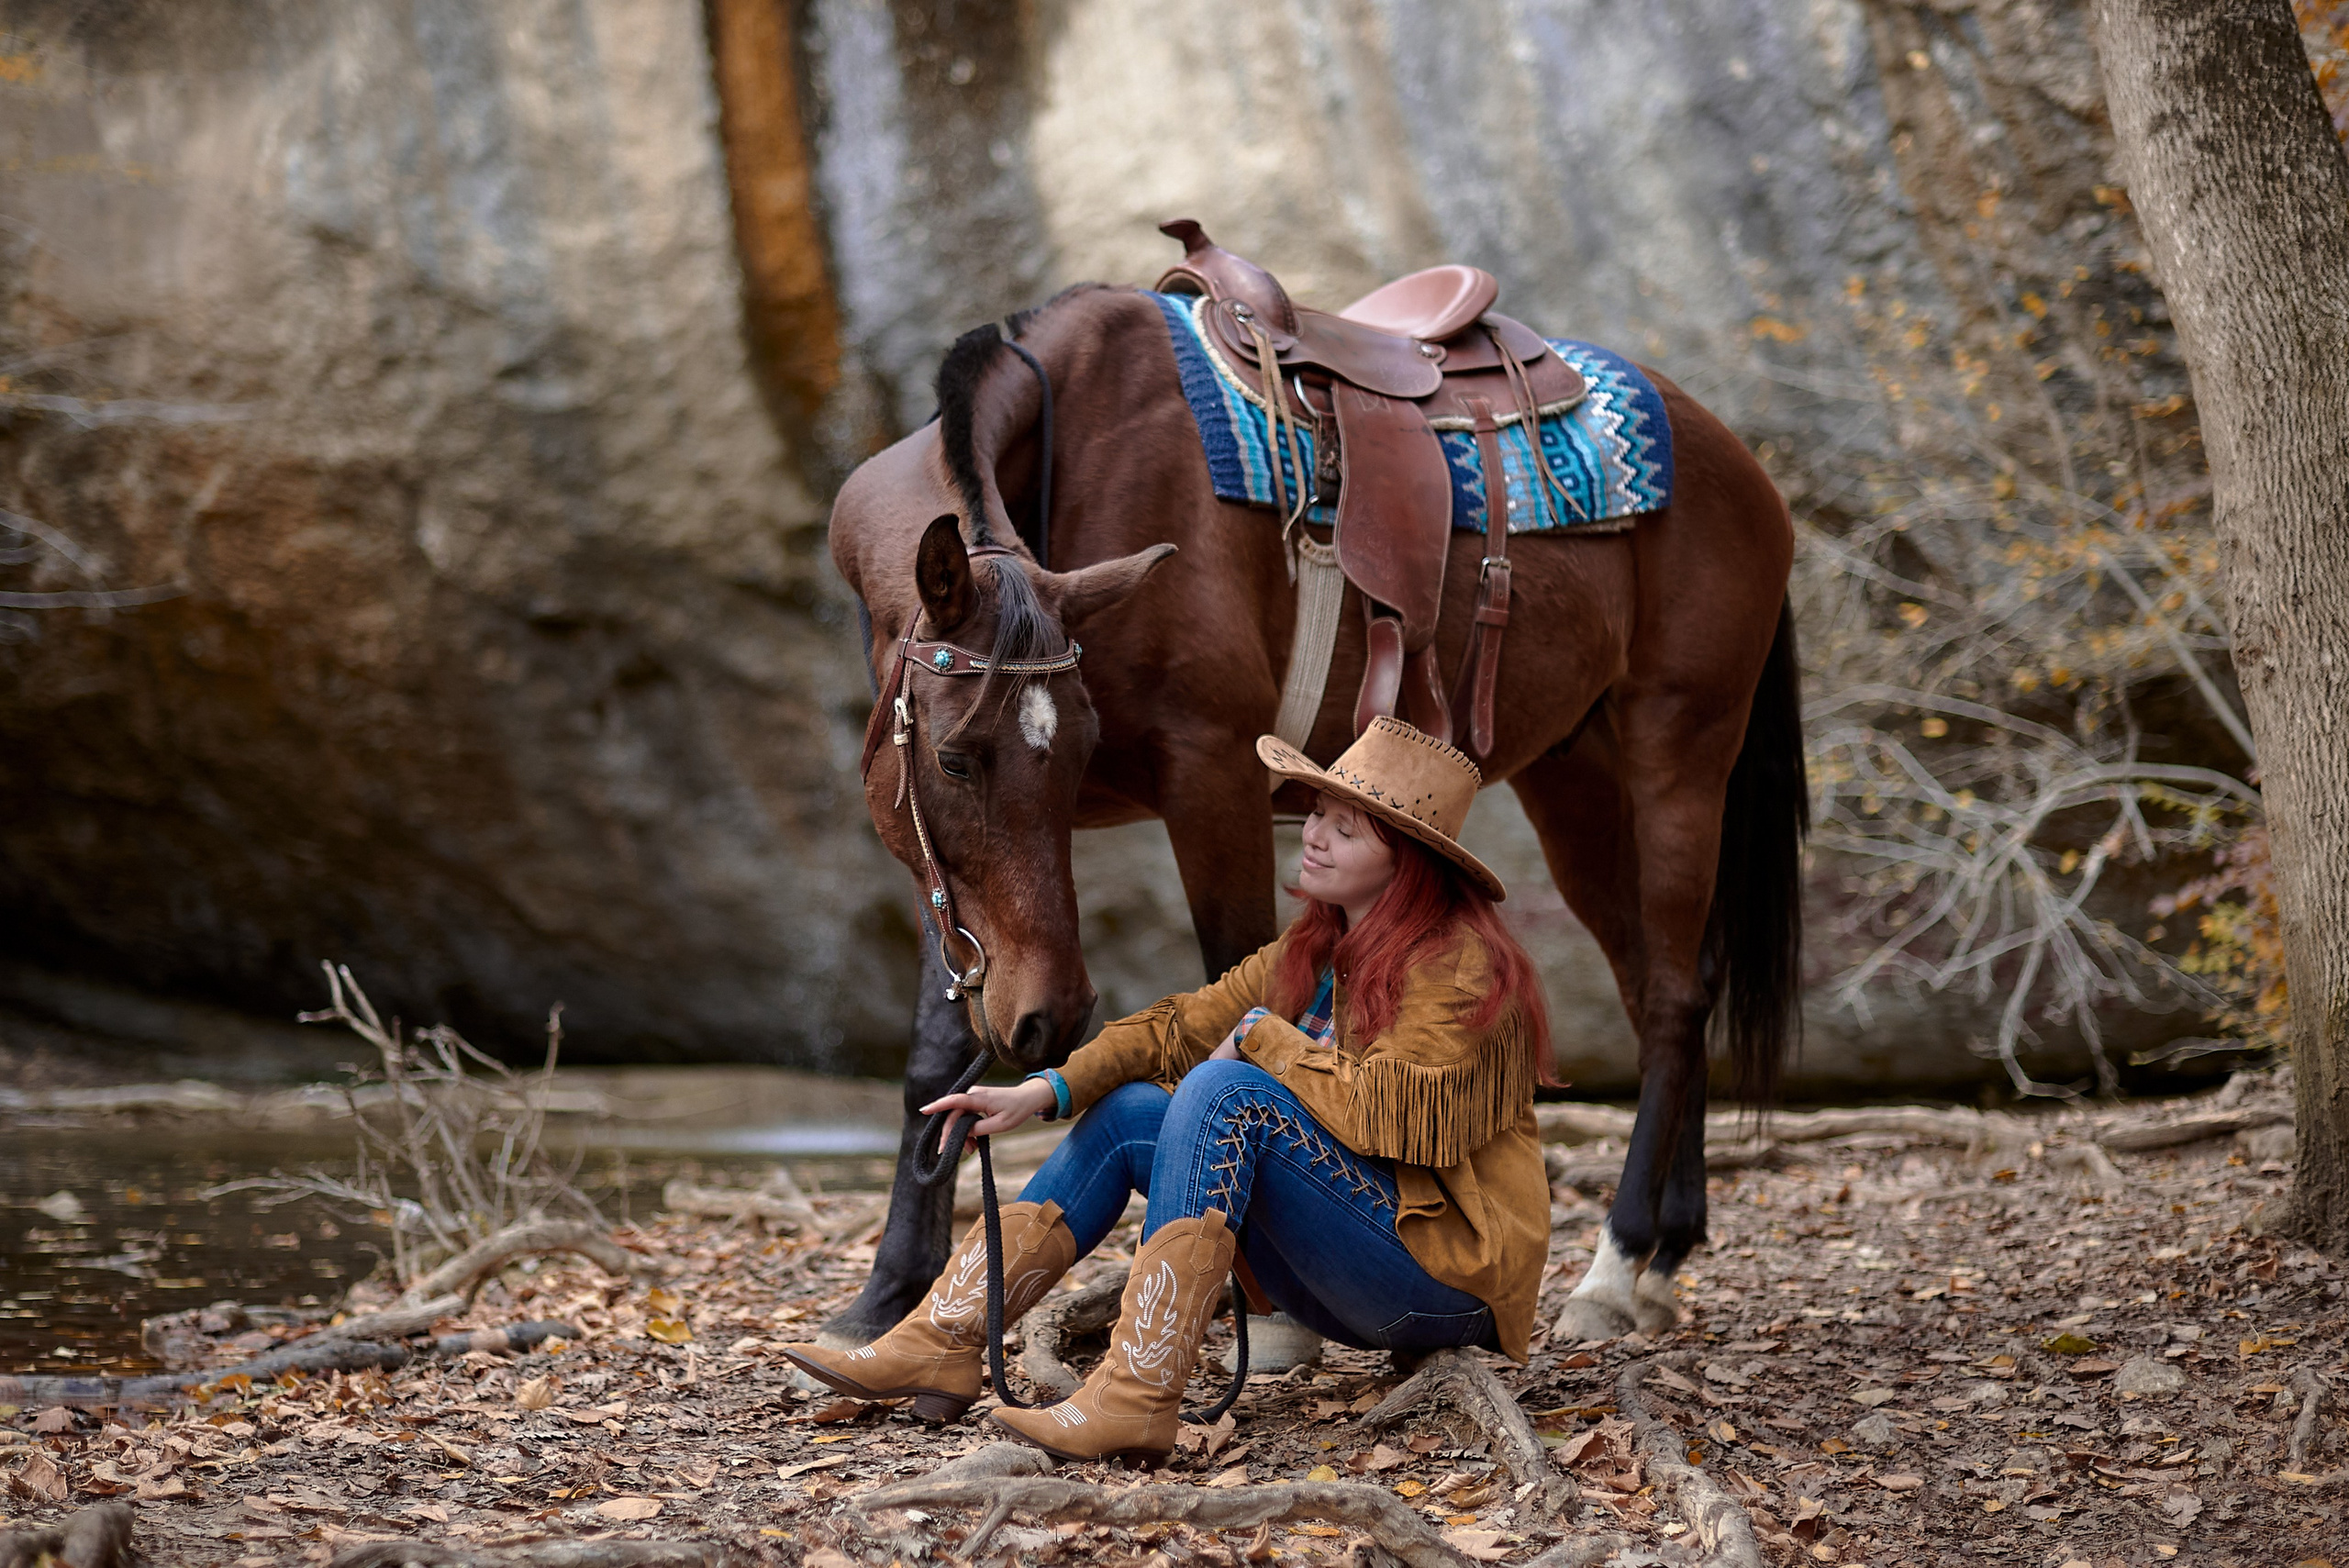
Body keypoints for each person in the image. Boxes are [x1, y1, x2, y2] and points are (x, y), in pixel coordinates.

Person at [781, 717, 1555, 1466]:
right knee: (1128, 1113)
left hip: (1442, 1280)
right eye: (1317, 813)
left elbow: (1394, 1119)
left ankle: (1139, 1393)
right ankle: (942, 1342)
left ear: (1409, 862)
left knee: (1227, 1088)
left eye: (1347, 830)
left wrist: (1260, 1039)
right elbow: (1175, 1027)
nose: (1313, 834)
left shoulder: (1458, 965)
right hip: (1346, 1259)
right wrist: (1045, 1089)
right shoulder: (1315, 947)